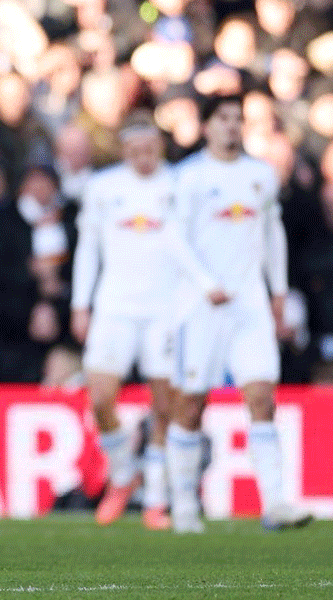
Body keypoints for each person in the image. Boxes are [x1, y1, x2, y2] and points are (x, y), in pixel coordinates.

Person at [70, 115, 226, 531]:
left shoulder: (179, 185)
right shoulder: (103, 188)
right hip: (114, 307)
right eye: (136, 151)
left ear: (161, 147)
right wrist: (80, 305)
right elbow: (88, 249)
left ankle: (156, 498)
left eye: (151, 150)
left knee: (164, 405)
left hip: (167, 310)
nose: (144, 158)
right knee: (101, 396)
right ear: (124, 151)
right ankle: (122, 473)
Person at [168, 93, 312, 534]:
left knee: (262, 398)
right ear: (207, 126)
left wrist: (279, 290)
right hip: (201, 308)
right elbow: (174, 238)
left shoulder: (260, 174)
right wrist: (208, 285)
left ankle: (275, 504)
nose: (231, 126)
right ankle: (184, 505)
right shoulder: (189, 176)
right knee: (192, 406)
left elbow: (273, 235)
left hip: (250, 304)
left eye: (237, 119)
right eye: (223, 119)